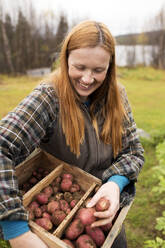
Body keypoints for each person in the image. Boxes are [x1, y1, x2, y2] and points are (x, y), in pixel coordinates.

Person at [0, 20, 144, 248]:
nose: (87, 79)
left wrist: (115, 184)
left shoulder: (117, 95)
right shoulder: (49, 98)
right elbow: (2, 146)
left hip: (106, 216)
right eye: (79, 67)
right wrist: (17, 231)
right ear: (65, 58)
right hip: (54, 237)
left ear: (110, 66)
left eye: (98, 70)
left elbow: (133, 152)